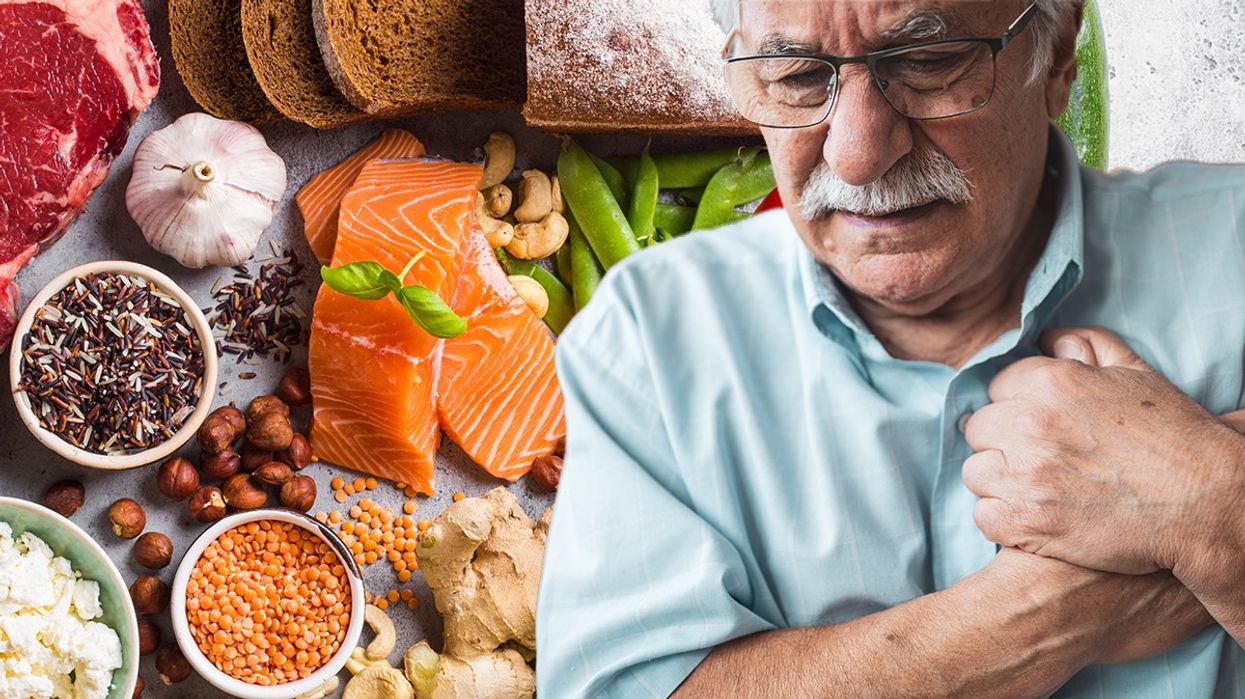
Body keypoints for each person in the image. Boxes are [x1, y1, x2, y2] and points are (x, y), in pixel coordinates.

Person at [536, 1, 1245, 696]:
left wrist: (1209, 495)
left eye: (928, 62)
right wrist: (1050, 611)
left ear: (1057, 55)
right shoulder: (647, 332)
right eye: (795, 76)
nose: (857, 153)